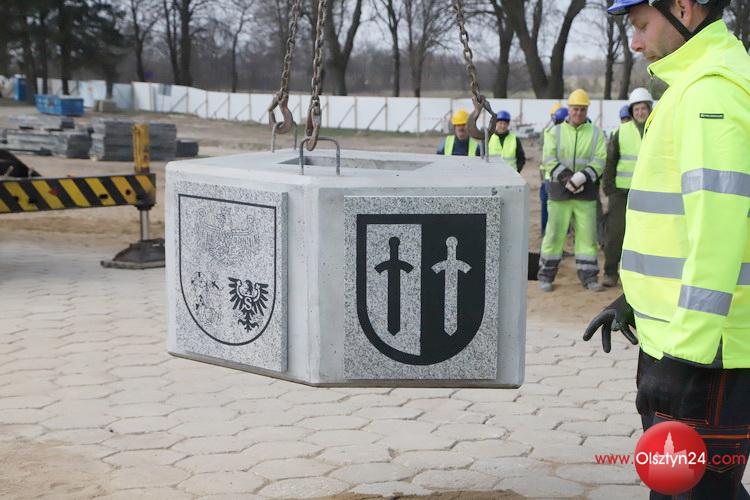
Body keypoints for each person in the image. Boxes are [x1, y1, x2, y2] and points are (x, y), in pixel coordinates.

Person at [584, 0, 750, 497]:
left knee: (695, 491)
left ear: (683, 7)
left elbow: (718, 234)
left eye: (640, 25)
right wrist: (636, 299)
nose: (635, 42)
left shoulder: (709, 92)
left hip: (706, 355)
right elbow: (677, 227)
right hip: (690, 342)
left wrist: (683, 357)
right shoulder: (694, 85)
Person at [538, 89, 607, 292]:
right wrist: (567, 178)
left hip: (586, 193)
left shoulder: (596, 133)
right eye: (575, 109)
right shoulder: (555, 132)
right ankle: (546, 276)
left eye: (582, 109)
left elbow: (600, 160)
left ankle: (589, 277)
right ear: (569, 109)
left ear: (587, 110)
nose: (578, 113)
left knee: (587, 238)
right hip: (560, 192)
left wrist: (582, 177)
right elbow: (548, 159)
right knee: (554, 235)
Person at [601, 87, 653, 287]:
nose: (640, 112)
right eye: (636, 109)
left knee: (645, 235)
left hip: (648, 193)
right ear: (631, 111)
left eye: (643, 108)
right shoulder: (621, 132)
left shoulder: (658, 130)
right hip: (621, 194)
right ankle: (610, 273)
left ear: (649, 109)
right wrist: (610, 189)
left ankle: (641, 275)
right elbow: (610, 162)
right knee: (616, 233)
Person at [540, 107, 569, 236]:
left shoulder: (549, 132)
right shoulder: (556, 134)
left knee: (551, 207)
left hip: (551, 176)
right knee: (555, 208)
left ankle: (548, 231)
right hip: (554, 177)